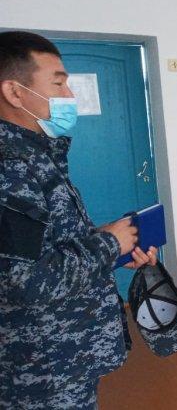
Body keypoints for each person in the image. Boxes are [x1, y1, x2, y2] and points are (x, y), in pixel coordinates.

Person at [0, 31, 158, 409]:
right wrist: (109, 244)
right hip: (37, 367)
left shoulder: (38, 155)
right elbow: (26, 280)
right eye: (58, 84)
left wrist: (112, 245)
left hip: (64, 354)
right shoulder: (10, 167)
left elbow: (46, 243)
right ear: (15, 92)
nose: (69, 95)